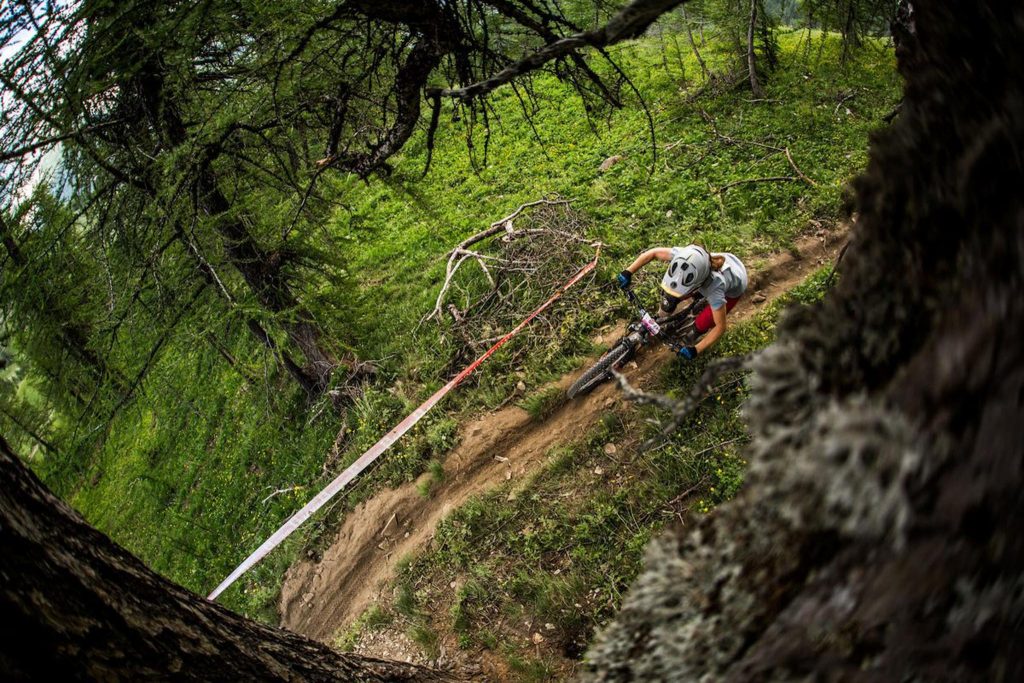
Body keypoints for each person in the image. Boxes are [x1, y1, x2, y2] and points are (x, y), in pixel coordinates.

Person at [615, 244, 748, 360]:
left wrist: (696, 350)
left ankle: (692, 334)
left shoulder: (715, 287)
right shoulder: (686, 257)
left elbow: (720, 327)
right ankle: (660, 319)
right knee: (670, 298)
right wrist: (628, 271)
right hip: (717, 264)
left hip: (735, 285)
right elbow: (653, 253)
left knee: (702, 324)